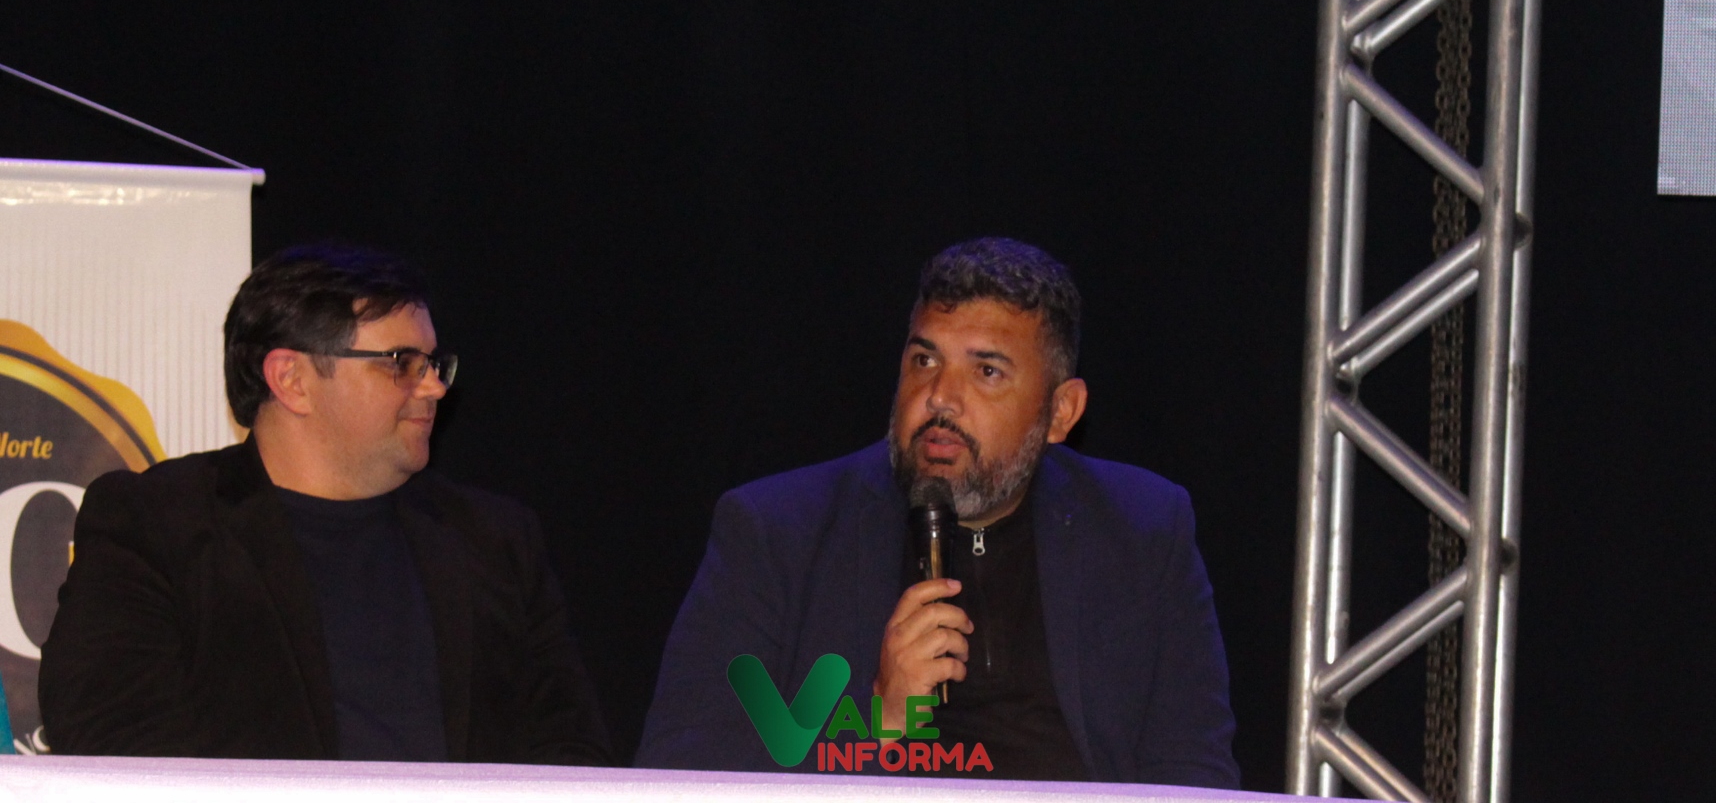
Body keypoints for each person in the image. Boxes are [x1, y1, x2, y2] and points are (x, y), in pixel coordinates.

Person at [636, 238, 1238, 785]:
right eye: (924, 361)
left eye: (986, 371)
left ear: (1061, 412)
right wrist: (881, 721)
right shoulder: (778, 534)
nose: (940, 398)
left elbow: (1194, 777)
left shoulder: (1143, 530)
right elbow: (681, 779)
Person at [39, 244, 611, 764]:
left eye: (434, 365)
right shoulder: (155, 525)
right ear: (291, 379)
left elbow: (571, 752)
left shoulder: (494, 540)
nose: (435, 387)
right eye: (402, 363)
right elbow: (115, 742)